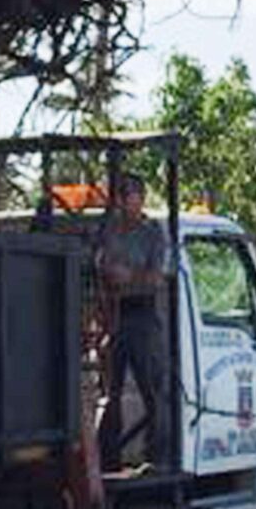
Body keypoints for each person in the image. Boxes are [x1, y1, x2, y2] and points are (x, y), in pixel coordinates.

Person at [94, 178, 171, 465]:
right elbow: (99, 263)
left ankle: (156, 456)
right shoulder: (109, 231)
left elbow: (158, 277)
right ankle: (108, 456)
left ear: (140, 198)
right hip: (113, 315)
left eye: (131, 196)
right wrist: (107, 271)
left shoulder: (152, 234)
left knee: (151, 389)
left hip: (142, 315)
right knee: (110, 391)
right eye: (122, 196)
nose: (126, 202)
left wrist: (131, 276)